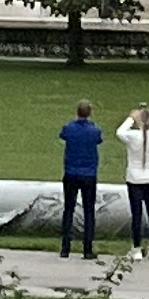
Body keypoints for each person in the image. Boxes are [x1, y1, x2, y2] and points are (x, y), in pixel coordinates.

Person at [118, 102, 149, 259]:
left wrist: (131, 118)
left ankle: (136, 248)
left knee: (137, 214)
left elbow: (120, 132)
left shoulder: (133, 136)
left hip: (135, 178)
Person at [58, 103, 104, 256]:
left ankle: (65, 247)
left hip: (71, 172)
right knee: (89, 211)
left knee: (68, 209)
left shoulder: (69, 128)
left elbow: (63, 135)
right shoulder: (94, 130)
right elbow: (99, 140)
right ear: (89, 113)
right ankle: (87, 248)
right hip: (89, 174)